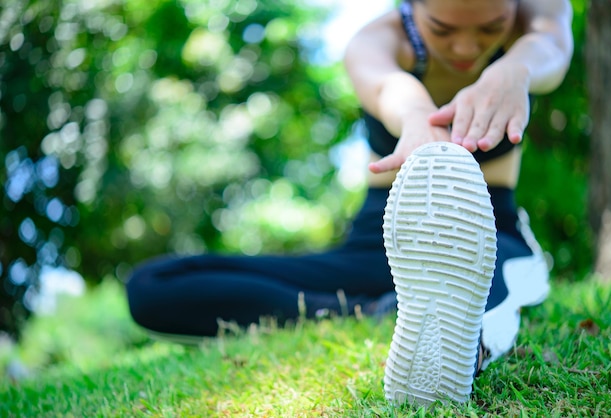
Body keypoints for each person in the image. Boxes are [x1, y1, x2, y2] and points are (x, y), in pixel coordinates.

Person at [126, 0, 573, 407]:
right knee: (152, 284)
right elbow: (386, 86)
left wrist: (514, 71)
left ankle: (468, 345)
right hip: (376, 241)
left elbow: (551, 44)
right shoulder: (376, 40)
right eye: (441, 28)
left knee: (482, 286)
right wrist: (416, 119)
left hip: (486, 234)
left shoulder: (535, 21)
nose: (465, 46)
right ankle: (364, 311)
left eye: (490, 28)